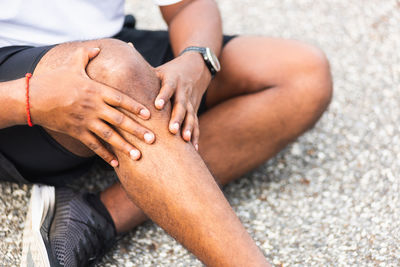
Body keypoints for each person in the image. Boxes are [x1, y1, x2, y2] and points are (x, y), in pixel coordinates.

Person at [0, 0, 332, 266]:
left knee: (303, 75)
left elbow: (189, 6)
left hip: (109, 53)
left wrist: (197, 62)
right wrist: (29, 99)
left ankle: (95, 216)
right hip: (14, 97)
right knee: (113, 69)